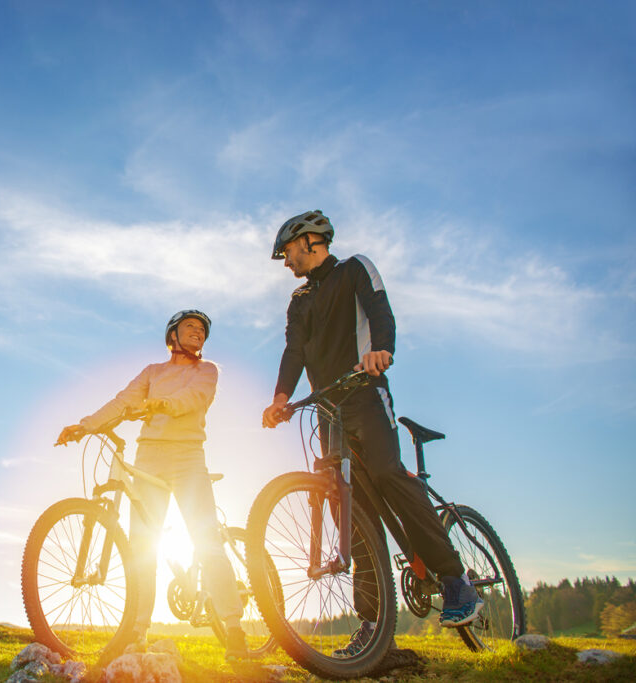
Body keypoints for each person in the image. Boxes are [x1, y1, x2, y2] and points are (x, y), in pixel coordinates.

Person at [260, 210, 482, 657]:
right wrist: (282, 396)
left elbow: (380, 308)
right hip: (328, 408)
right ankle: (374, 625)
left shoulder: (354, 269)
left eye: (287, 252)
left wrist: (382, 349)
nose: (286, 262)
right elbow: (294, 350)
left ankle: (457, 582)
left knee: (386, 474)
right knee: (353, 511)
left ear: (309, 241)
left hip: (365, 390)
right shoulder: (299, 299)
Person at [57, 310, 249, 661]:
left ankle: (234, 630)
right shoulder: (152, 372)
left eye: (203, 330)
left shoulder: (206, 371)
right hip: (150, 459)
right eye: (190, 327)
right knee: (141, 546)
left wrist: (164, 404)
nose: (198, 333)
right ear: (172, 335)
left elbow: (195, 398)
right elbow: (123, 401)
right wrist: (85, 426)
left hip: (188, 458)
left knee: (207, 542)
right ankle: (137, 630)